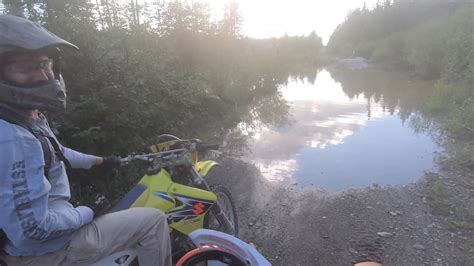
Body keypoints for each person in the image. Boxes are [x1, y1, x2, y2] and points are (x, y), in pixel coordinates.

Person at [0, 15, 171, 266]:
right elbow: (32, 231)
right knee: (153, 220)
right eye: (25, 67)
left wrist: (101, 161)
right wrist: (88, 211)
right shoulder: (14, 140)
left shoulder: (24, 117)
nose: (44, 76)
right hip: (46, 252)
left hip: (39, 241)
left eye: (45, 63)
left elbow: (55, 151)